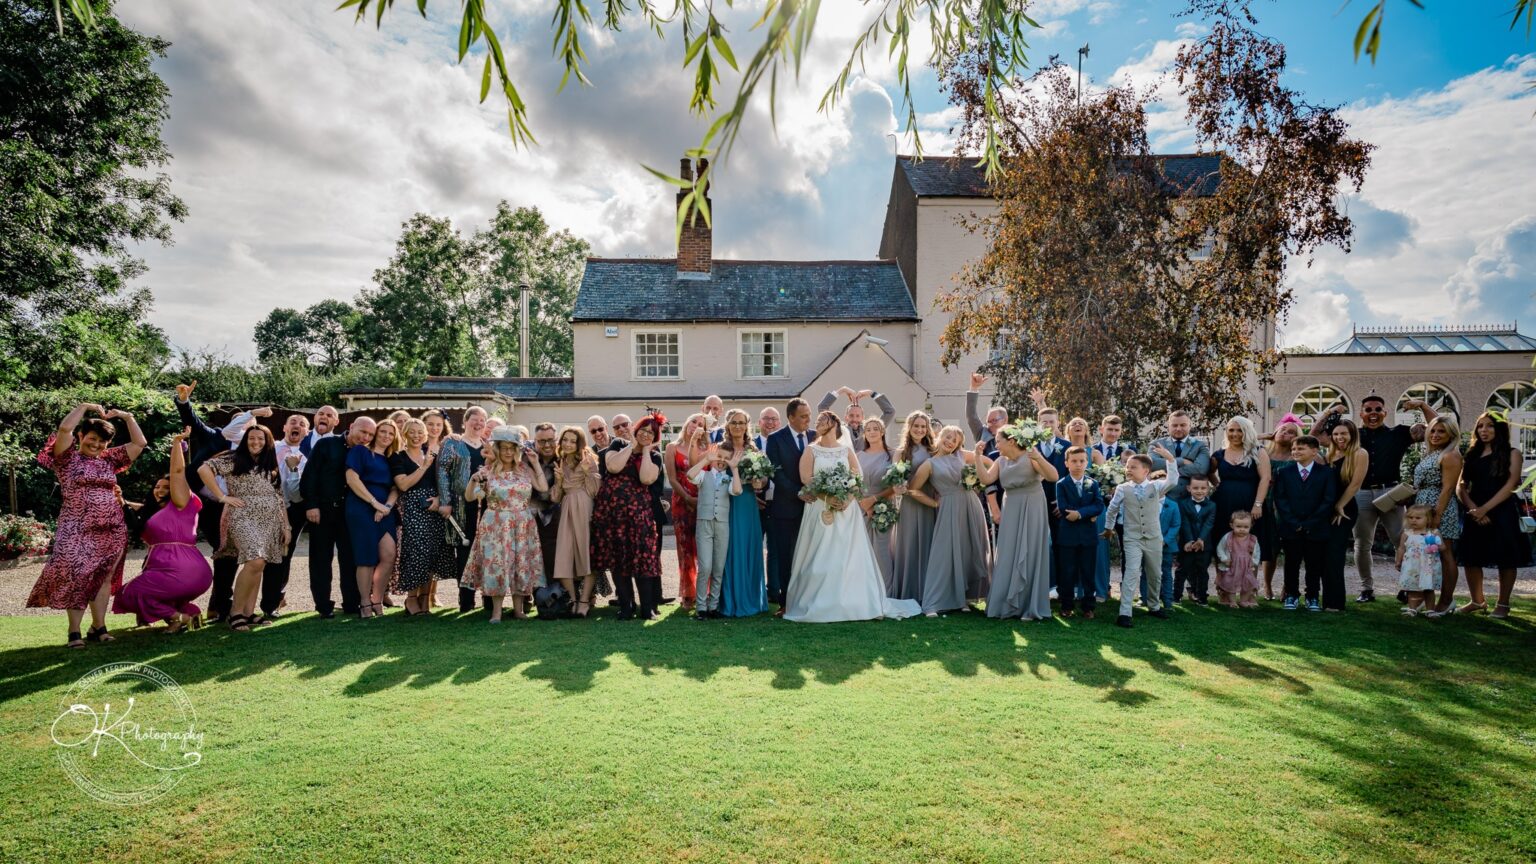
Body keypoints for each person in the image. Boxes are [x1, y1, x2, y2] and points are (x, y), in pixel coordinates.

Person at [782, 413, 921, 623]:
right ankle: (818, 602)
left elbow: (857, 477)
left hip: (847, 511)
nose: (817, 424)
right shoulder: (811, 450)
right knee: (820, 554)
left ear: (834, 424)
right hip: (821, 508)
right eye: (817, 421)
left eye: (822, 421)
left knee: (847, 555)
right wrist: (827, 496)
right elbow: (806, 478)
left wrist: (846, 499)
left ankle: (852, 600)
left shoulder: (846, 450)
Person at [28, 403, 146, 647]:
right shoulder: (67, 459)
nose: (97, 444)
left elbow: (139, 444)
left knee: (103, 578)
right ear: (81, 436)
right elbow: (64, 429)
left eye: (102, 441)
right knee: (78, 576)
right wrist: (84, 407)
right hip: (76, 528)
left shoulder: (109, 459)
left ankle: (99, 627)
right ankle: (74, 632)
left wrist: (127, 417)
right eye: (92, 438)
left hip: (112, 529)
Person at [1311, 395, 1436, 603]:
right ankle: (1366, 589)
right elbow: (1315, 436)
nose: (1373, 413)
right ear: (1361, 413)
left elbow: (1435, 428)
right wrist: (1331, 412)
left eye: (1378, 409)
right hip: (1359, 493)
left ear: (1385, 412)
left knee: (1401, 541)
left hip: (1391, 493)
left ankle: (1408, 587)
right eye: (1368, 410)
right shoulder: (1352, 436)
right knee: (1362, 543)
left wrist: (1423, 405)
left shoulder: (1399, 433)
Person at [174, 382, 263, 622]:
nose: (246, 428)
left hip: (238, 507)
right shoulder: (215, 437)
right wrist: (184, 401)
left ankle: (221, 605)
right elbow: (192, 420)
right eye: (241, 423)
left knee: (234, 555)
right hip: (208, 505)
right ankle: (221, 605)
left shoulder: (257, 450)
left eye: (250, 425)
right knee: (225, 552)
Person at [114, 428, 213, 632]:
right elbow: (137, 510)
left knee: (130, 593)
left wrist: (176, 445)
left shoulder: (181, 503)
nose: (159, 490)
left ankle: (178, 617)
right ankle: (190, 613)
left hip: (181, 568)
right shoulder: (157, 513)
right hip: (184, 570)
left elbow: (177, 473)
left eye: (166, 487)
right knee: (160, 593)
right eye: (157, 486)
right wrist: (120, 499)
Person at [199, 423, 296, 631]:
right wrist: (221, 496)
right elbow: (203, 469)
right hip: (242, 516)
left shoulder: (269, 464)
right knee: (255, 559)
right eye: (252, 438)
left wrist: (286, 526)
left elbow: (279, 497)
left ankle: (249, 612)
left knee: (260, 565)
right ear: (245, 440)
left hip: (270, 521)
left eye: (261, 439)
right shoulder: (234, 459)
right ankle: (236, 614)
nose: (256, 442)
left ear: (267, 441)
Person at [463, 425, 547, 622]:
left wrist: (535, 463)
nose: (508, 452)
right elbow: (470, 498)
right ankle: (497, 612)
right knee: (497, 566)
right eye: (504, 448)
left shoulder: (524, 469)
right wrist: (473, 481)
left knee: (521, 564)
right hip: (496, 524)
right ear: (497, 449)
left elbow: (542, 487)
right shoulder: (487, 471)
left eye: (512, 448)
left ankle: (519, 610)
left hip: (522, 523)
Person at [913, 424, 991, 616]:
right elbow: (913, 489)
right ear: (940, 436)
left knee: (969, 550)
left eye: (954, 440)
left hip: (971, 505)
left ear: (958, 444)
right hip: (947, 508)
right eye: (947, 437)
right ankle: (933, 602)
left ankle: (963, 598)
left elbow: (991, 464)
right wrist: (934, 503)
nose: (950, 442)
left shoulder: (962, 456)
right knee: (944, 553)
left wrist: (979, 477)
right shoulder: (929, 464)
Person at [983, 426, 1060, 620]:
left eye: (998, 440)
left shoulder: (1031, 456)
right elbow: (985, 479)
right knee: (1008, 551)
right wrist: (976, 457)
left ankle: (1029, 605)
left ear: (1011, 441)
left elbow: (1053, 477)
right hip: (1011, 506)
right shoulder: (1000, 461)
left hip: (1033, 505)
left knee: (1032, 550)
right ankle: (1006, 604)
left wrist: (1038, 457)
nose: (996, 444)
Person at [592, 412, 664, 620]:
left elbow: (646, 479)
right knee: (618, 557)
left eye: (651, 433)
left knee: (643, 558)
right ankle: (626, 605)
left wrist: (647, 451)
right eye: (643, 430)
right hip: (612, 512)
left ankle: (647, 607)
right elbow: (613, 467)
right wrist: (632, 446)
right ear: (636, 429)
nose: (646, 435)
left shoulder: (655, 456)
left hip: (639, 513)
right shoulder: (617, 446)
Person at [1456, 413, 1529, 619]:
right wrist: (1474, 509)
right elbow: (1460, 487)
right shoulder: (1471, 455)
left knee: (1506, 558)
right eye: (1480, 426)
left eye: (1489, 426)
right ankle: (1477, 601)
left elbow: (1511, 484)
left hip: (1503, 510)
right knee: (1471, 557)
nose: (1484, 430)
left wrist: (1485, 509)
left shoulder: (1513, 453)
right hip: (1474, 510)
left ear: (1500, 429)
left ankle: (1503, 604)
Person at [1102, 446, 1180, 628]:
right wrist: (1108, 528)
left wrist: (1169, 458)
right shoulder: (1122, 488)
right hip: (1132, 538)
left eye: (1133, 467)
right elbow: (1112, 509)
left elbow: (1173, 480)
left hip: (1153, 538)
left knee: (1154, 573)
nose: (1128, 469)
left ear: (1146, 471)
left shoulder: (1156, 486)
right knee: (1131, 573)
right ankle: (1125, 612)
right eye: (1127, 466)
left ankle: (1153, 605)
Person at [300, 416, 370, 618]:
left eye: (369, 434)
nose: (365, 437)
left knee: (350, 559)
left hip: (350, 514)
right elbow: (310, 476)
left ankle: (351, 602)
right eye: (362, 431)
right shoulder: (326, 445)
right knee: (321, 559)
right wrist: (311, 504)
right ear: (351, 427)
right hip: (323, 510)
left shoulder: (366, 452)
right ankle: (323, 605)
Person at [391, 418, 455, 615]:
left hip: (434, 509)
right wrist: (424, 466)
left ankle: (425, 599)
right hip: (413, 508)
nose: (417, 435)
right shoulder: (398, 457)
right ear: (405, 434)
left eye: (420, 432)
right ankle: (411, 599)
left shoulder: (435, 454)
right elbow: (403, 485)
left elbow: (445, 480)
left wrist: (439, 498)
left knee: (432, 553)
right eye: (412, 432)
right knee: (415, 553)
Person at [1272, 435, 1337, 613]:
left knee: (1314, 564)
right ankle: (1292, 595)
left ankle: (1312, 596)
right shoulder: (1284, 472)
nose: (1295, 452)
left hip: (1316, 527)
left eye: (1301, 448)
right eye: (1294, 449)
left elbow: (1328, 500)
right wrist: (1293, 522)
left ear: (1314, 451)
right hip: (1290, 527)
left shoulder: (1326, 473)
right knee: (1291, 563)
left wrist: (1309, 523)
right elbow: (1280, 499)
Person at [345, 418, 401, 619]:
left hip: (385, 510)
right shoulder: (360, 451)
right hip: (361, 507)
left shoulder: (392, 458)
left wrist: (386, 506)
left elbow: (396, 488)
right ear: (376, 433)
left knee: (388, 554)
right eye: (383, 431)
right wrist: (373, 503)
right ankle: (364, 602)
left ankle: (377, 598)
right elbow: (352, 478)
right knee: (366, 557)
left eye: (391, 433)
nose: (386, 436)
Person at [716, 409, 769, 617]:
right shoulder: (722, 448)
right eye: (733, 422)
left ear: (747, 425)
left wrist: (759, 481)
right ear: (727, 425)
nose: (737, 426)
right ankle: (729, 601)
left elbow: (763, 480)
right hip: (727, 501)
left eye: (741, 422)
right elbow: (715, 475)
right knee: (729, 547)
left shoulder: (754, 449)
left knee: (749, 545)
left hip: (747, 502)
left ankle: (751, 598)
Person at [764, 398, 816, 610]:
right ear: (791, 417)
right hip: (785, 507)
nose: (808, 420)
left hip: (813, 506)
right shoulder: (776, 439)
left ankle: (809, 600)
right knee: (786, 556)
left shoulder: (815, 436)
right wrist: (798, 493)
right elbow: (776, 472)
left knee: (810, 555)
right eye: (803, 416)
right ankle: (786, 603)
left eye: (809, 416)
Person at [438, 406, 489, 612]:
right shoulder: (453, 443)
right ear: (465, 422)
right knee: (465, 551)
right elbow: (442, 471)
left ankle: (488, 599)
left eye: (482, 421)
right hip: (460, 505)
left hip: (485, 505)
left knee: (487, 551)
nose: (478, 424)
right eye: (474, 420)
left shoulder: (487, 446)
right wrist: (445, 500)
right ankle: (466, 601)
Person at [260, 413, 310, 619]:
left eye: (302, 424)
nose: (296, 426)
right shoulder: (269, 448)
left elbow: (297, 494)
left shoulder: (304, 459)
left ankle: (271, 603)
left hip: (291, 510)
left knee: (282, 556)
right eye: (293, 422)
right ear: (285, 427)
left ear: (306, 432)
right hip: (262, 507)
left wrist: (294, 469)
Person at [1414, 416, 1464, 618]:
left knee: (1445, 553)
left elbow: (1448, 488)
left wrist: (1437, 515)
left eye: (1441, 431)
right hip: (1422, 506)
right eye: (1433, 430)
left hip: (1439, 508)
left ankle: (1446, 600)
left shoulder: (1450, 455)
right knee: (1425, 554)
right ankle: (1426, 601)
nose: (1435, 435)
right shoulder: (1431, 454)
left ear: (1451, 434)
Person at [550, 426, 602, 618]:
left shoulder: (589, 460)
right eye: (565, 440)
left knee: (586, 554)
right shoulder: (561, 461)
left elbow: (595, 491)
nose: (568, 444)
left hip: (584, 506)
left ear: (579, 442)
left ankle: (584, 601)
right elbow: (555, 497)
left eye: (573, 441)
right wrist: (558, 480)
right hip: (566, 509)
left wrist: (589, 472)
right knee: (563, 555)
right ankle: (572, 599)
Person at [889, 410, 937, 602]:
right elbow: (894, 480)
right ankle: (908, 590)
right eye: (916, 426)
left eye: (923, 426)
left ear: (928, 429)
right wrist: (898, 486)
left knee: (929, 542)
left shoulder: (934, 450)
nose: (919, 429)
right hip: (909, 502)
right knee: (908, 544)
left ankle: (928, 591)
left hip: (929, 500)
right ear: (909, 428)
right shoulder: (901, 452)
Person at [1323, 420, 1368, 612]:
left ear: (1352, 435)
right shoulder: (1329, 455)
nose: (1340, 438)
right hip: (1328, 509)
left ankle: (1336, 603)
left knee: (1335, 553)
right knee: (1326, 555)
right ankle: (1327, 601)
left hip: (1345, 509)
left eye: (1344, 434)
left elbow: (1355, 484)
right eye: (1336, 434)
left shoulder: (1360, 454)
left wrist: (1340, 505)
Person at [665, 414, 709, 610]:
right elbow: (672, 479)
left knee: (704, 549)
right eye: (694, 422)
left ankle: (705, 593)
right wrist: (688, 498)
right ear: (686, 423)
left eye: (701, 425)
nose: (696, 426)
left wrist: (699, 499)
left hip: (705, 501)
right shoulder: (672, 448)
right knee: (685, 550)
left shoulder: (708, 449)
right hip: (681, 501)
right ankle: (688, 594)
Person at [1092, 415, 1134, 603]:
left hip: (1124, 507)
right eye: (1109, 429)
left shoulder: (1129, 451)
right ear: (1102, 429)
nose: (1113, 433)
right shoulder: (1093, 451)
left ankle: (1127, 589)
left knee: (1128, 548)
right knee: (1100, 547)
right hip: (1100, 506)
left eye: (1117, 430)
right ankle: (1103, 587)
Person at [855, 416, 899, 594]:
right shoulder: (858, 456)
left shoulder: (893, 454)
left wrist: (874, 501)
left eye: (875, 429)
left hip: (884, 506)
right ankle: (866, 592)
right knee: (862, 551)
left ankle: (886, 592)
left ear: (882, 432)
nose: (872, 432)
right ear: (864, 434)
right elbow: (853, 483)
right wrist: (863, 503)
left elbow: (895, 485)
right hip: (860, 507)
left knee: (882, 552)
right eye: (868, 429)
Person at [1259, 418, 1302, 599]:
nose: (1286, 433)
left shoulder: (1297, 457)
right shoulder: (1263, 453)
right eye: (1283, 429)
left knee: (1292, 549)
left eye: (1292, 432)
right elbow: (1244, 440)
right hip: (1266, 504)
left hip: (1289, 506)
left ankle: (1288, 586)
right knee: (1270, 549)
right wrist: (1267, 436)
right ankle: (1267, 586)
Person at [965, 374, 1008, 535]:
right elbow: (971, 417)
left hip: (1008, 489)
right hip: (986, 491)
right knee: (988, 532)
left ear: (1005, 420)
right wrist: (974, 389)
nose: (990, 424)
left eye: (994, 421)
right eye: (988, 421)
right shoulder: (982, 434)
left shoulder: (1015, 437)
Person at [1149, 410, 1211, 501]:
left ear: (1190, 426)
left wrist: (1171, 469)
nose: (1178, 428)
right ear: (1168, 427)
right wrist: (1182, 461)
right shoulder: (1156, 444)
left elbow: (1200, 470)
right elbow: (1153, 464)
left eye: (1183, 425)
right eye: (1174, 425)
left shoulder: (1200, 446)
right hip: (1162, 499)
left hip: (1190, 500)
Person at [529, 422, 562, 594]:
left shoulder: (563, 457)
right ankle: (530, 596)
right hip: (531, 515)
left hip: (556, 516)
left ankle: (555, 596)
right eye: (541, 441)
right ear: (534, 441)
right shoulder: (526, 456)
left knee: (553, 557)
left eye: (550, 440)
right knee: (530, 557)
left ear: (556, 439)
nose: (547, 445)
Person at [1176, 475, 1217, 606]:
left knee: (1202, 572)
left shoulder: (1212, 505)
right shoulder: (1183, 504)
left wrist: (1201, 539)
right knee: (1182, 570)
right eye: (1196, 488)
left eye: (1203, 488)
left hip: (1205, 545)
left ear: (1208, 489)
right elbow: (1184, 522)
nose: (1199, 491)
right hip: (1186, 544)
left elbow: (1209, 523)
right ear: (1189, 488)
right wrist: (1189, 540)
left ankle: (1202, 597)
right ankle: (1176, 596)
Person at [819, 385, 895, 453]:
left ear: (863, 418)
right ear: (846, 417)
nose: (854, 419)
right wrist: (842, 390)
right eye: (851, 415)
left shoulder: (871, 429)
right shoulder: (838, 428)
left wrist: (871, 393)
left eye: (858, 416)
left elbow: (890, 412)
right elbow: (822, 407)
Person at [1396, 504, 1442, 615]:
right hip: (1412, 566)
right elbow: (1401, 548)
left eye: (1418, 518)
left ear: (1428, 519)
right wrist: (1398, 560)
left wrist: (1435, 545)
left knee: (1429, 589)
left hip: (1428, 566)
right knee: (1412, 589)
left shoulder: (1433, 533)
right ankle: (1412, 609)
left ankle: (1430, 610)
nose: (1413, 520)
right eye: (1410, 518)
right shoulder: (1407, 533)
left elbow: (1443, 547)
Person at [1215, 511, 1261, 608]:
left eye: (1245, 527)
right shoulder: (1228, 537)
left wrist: (1254, 562)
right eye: (1238, 526)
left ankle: (1243, 601)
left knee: (1248, 584)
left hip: (1246, 567)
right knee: (1230, 583)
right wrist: (1224, 559)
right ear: (1232, 525)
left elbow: (1257, 552)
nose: (1242, 530)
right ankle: (1232, 601)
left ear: (1250, 526)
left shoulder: (1253, 539)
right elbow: (1220, 548)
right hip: (1232, 565)